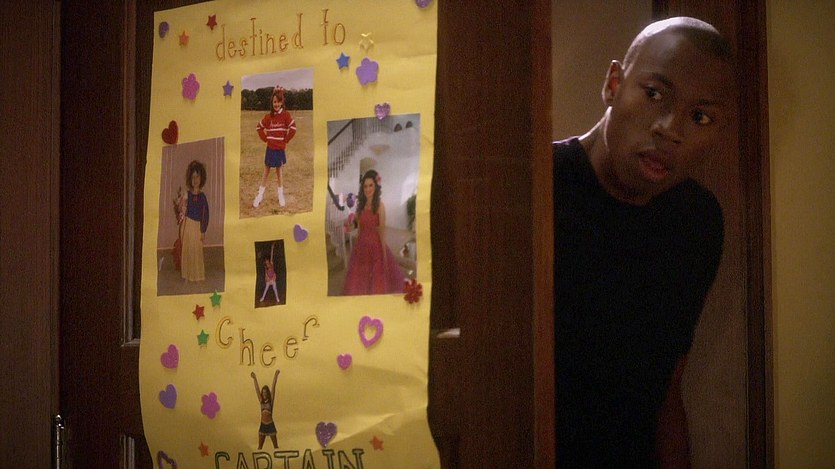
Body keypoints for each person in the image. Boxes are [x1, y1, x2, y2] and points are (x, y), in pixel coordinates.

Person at [553, 17, 734, 468]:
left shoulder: (696, 221)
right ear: (614, 84)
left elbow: (666, 392)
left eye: (700, 117)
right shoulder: (539, 186)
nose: (670, 129)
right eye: (654, 94)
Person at [342, 169, 405, 295]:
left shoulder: (380, 206)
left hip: (375, 247)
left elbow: (382, 231)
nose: (368, 189)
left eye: (371, 185)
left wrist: (384, 255)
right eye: (365, 186)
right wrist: (349, 226)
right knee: (359, 281)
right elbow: (357, 226)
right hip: (361, 247)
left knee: (377, 281)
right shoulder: (360, 206)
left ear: (376, 187)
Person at [253, 85, 296, 208]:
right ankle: (260, 195)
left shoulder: (286, 115)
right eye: (274, 102)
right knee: (266, 171)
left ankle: (280, 194)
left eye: (278, 102)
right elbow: (259, 127)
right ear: (272, 103)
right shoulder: (268, 117)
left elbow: (293, 128)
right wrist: (265, 138)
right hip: (270, 149)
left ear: (282, 102)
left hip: (279, 149)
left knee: (279, 171)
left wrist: (285, 140)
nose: (276, 104)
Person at [180, 160, 209, 282]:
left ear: (201, 178)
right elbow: (183, 210)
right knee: (187, 249)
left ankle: (197, 276)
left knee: (196, 250)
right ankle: (187, 275)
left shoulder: (202, 197)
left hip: (197, 227)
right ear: (190, 179)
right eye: (193, 177)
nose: (195, 180)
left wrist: (203, 230)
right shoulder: (187, 195)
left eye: (197, 177)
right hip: (188, 225)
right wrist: (182, 205)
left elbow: (205, 215)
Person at [251, 369, 281, 449]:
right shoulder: (261, 401)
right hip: (263, 424)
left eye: (265, 392)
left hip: (270, 424)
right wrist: (254, 378)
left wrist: (276, 375)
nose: (264, 394)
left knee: (275, 446)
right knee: (259, 447)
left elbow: (273, 387)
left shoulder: (271, 401)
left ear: (267, 393)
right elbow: (257, 390)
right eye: (263, 393)